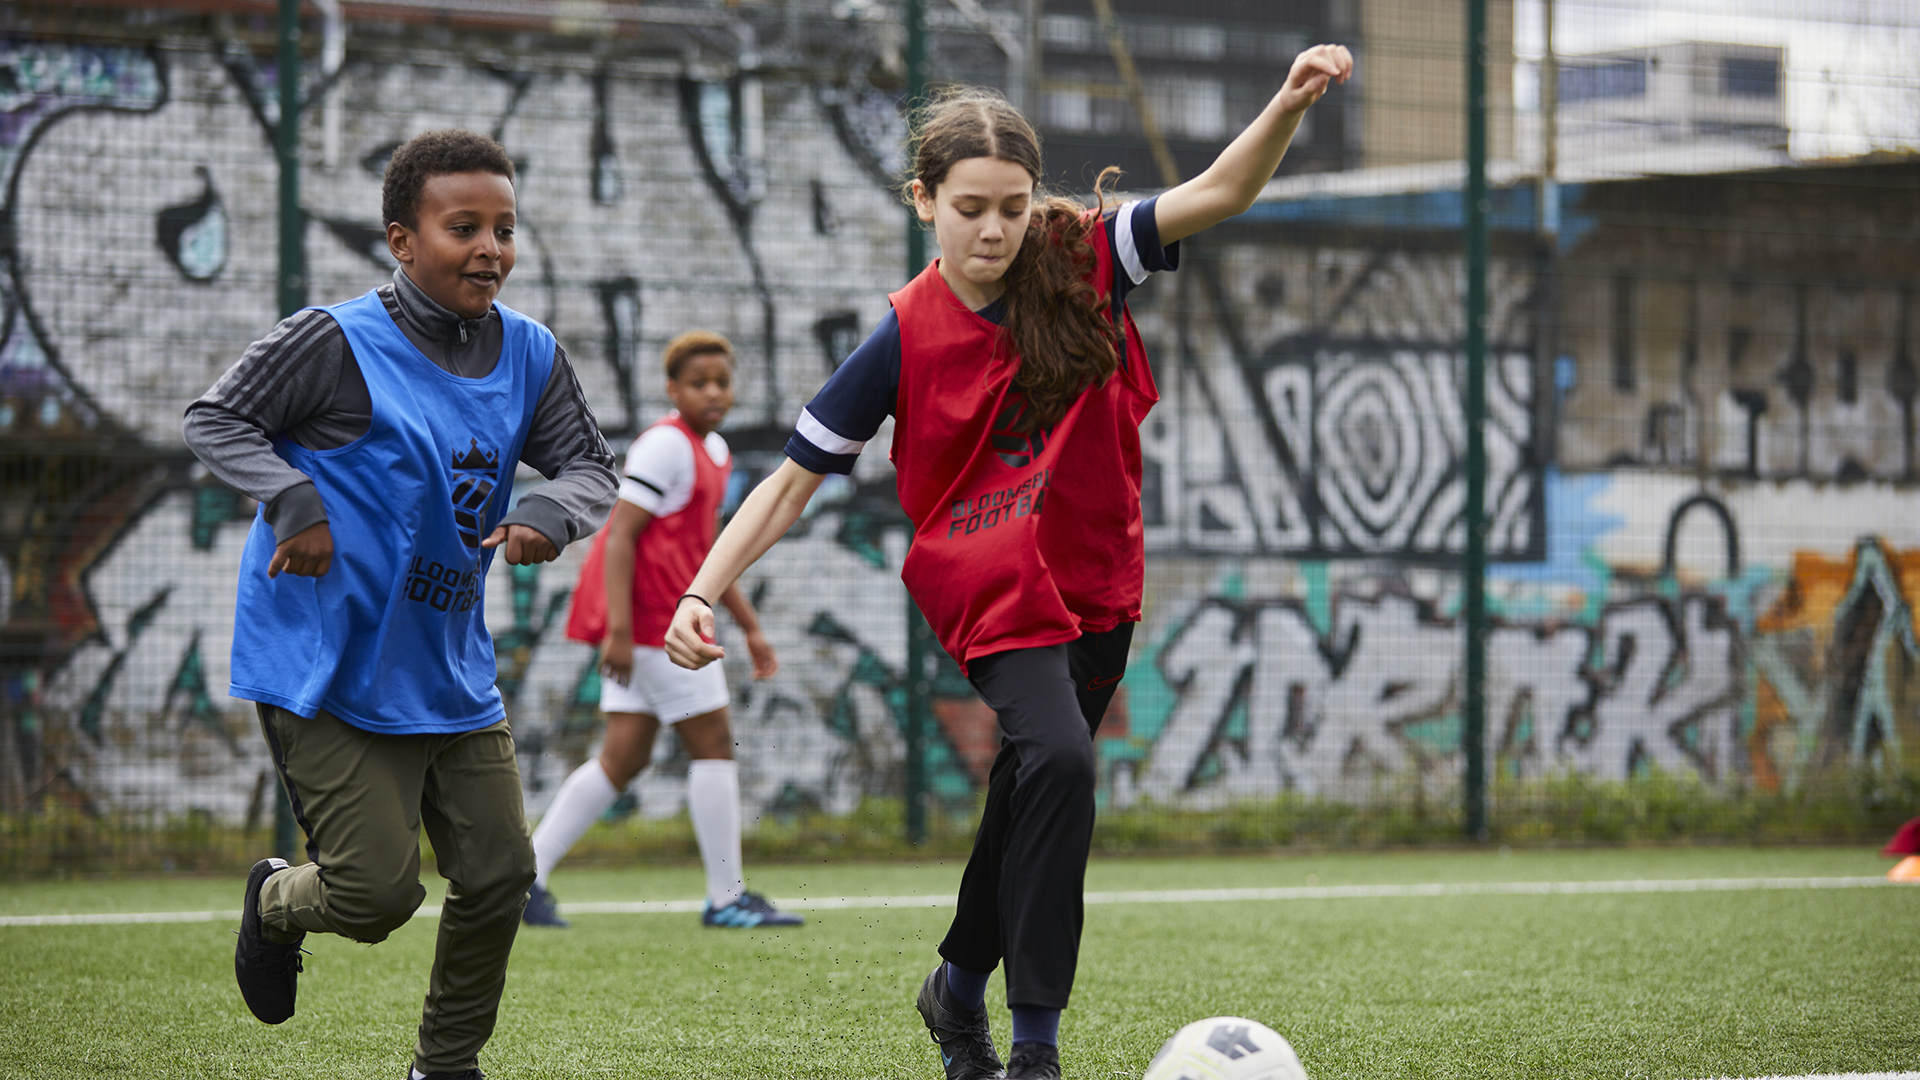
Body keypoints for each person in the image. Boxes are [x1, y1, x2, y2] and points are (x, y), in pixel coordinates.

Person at [664, 45, 1353, 1080]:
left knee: (1032, 785)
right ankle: (1034, 1044)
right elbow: (791, 480)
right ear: (922, 201)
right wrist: (701, 589)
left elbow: (1223, 190)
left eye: (1015, 206)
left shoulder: (1086, 257)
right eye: (971, 206)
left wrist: (1288, 103)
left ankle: (953, 985)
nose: (994, 228)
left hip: (1099, 574)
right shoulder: (900, 338)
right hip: (987, 588)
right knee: (1066, 761)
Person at [184, 129, 618, 1080]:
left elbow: (591, 465)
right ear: (401, 239)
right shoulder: (333, 341)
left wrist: (550, 511)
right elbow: (216, 417)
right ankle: (272, 905)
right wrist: (293, 502)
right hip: (328, 666)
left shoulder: (532, 354)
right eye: (463, 226)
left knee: (502, 872)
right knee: (377, 899)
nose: (490, 249)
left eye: (504, 228)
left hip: (450, 667)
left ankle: (446, 1064)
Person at [521, 330, 800, 930]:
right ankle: (727, 899)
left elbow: (709, 553)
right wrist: (619, 631)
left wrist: (750, 627)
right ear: (672, 390)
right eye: (698, 384)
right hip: (652, 626)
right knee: (714, 742)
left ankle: (526, 878)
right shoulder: (665, 447)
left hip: (657, 624)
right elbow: (620, 537)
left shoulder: (717, 453)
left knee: (622, 758)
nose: (714, 393)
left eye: (722, 382)